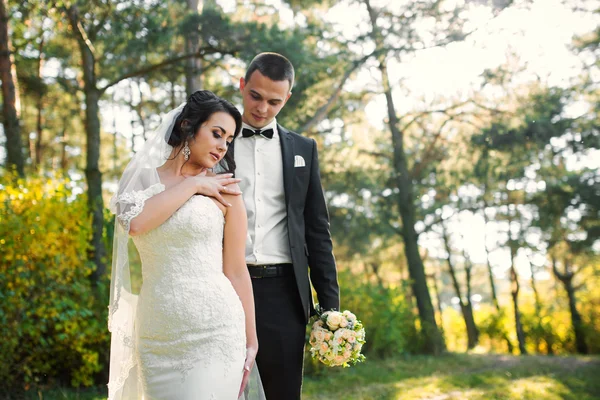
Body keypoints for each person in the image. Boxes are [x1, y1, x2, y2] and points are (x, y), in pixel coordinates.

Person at [107, 90, 263, 400]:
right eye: (217, 133)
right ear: (188, 127)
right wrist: (194, 184)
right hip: (156, 332)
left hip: (216, 329)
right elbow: (136, 223)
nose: (222, 146)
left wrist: (251, 339)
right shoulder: (139, 180)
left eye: (229, 140)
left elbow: (236, 270)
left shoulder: (227, 192)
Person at [232, 52, 340, 399]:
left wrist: (331, 309)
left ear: (287, 98)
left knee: (282, 392)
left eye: (274, 101)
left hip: (284, 293)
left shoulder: (304, 149)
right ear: (242, 85)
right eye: (255, 96)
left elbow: (317, 230)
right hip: (225, 287)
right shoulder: (216, 139)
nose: (263, 108)